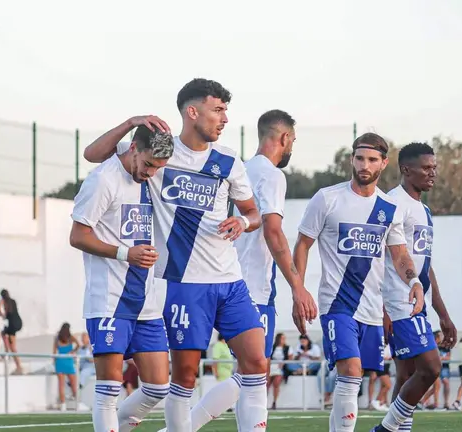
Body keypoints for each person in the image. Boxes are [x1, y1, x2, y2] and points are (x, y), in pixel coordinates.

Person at [83, 79, 270, 432]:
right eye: (218, 110)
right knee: (183, 375)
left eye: (226, 111)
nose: (224, 119)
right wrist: (129, 122)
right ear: (192, 111)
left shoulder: (229, 160)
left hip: (229, 280)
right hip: (182, 283)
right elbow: (94, 155)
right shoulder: (158, 153)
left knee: (257, 361)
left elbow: (254, 212)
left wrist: (243, 221)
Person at [179, 109, 317, 431]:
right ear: (284, 138)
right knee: (254, 373)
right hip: (252, 288)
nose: (292, 147)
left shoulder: (239, 168)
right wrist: (298, 287)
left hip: (222, 279)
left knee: (251, 372)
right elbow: (272, 231)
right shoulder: (271, 174)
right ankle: (178, 428)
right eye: (292, 140)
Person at [293, 132, 425, 432]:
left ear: (384, 163)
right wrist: (298, 290)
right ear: (352, 159)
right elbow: (302, 245)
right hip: (336, 305)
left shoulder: (387, 208)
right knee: (350, 372)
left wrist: (414, 281)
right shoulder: (327, 198)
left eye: (372, 160)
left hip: (371, 310)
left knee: (355, 379)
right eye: (359, 158)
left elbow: (400, 254)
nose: (364, 165)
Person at [70, 124, 174, 432]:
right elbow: (77, 236)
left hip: (146, 300)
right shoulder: (104, 180)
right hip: (109, 299)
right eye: (148, 164)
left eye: (158, 167)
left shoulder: (147, 177)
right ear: (133, 149)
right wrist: (124, 253)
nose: (151, 173)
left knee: (158, 387)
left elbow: (92, 151)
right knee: (109, 390)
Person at [372, 142, 457, 432]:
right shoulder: (392, 204)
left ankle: (395, 431)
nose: (432, 173)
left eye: (434, 167)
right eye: (426, 168)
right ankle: (384, 431)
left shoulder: (424, 210)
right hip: (398, 302)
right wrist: (381, 307)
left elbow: (424, 266)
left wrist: (442, 314)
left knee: (406, 373)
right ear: (406, 170)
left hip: (418, 304)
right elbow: (379, 257)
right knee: (431, 368)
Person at [53, 322, 82, 411]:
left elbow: (54, 352)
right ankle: (77, 402)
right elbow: (78, 345)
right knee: (74, 384)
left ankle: (63, 404)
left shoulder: (57, 338)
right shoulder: (70, 337)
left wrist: (54, 363)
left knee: (61, 385)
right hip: (68, 361)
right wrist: (73, 351)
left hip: (60, 361)